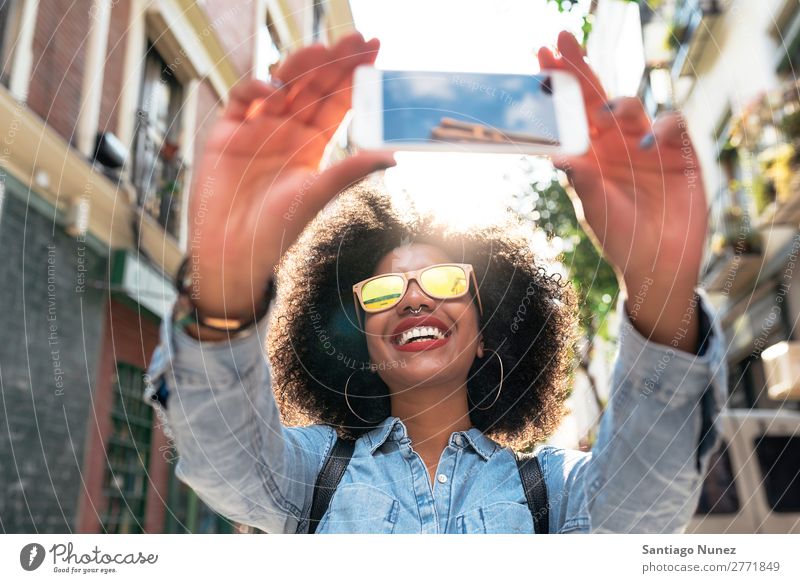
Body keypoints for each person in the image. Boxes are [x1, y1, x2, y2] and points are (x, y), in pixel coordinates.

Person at [144, 31, 727, 534]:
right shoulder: (311, 476)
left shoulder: (554, 493)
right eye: (382, 292)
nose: (414, 296)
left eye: (445, 281)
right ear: (362, 344)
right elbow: (224, 459)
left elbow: (642, 509)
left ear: (484, 333)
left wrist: (663, 299)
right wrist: (223, 292)